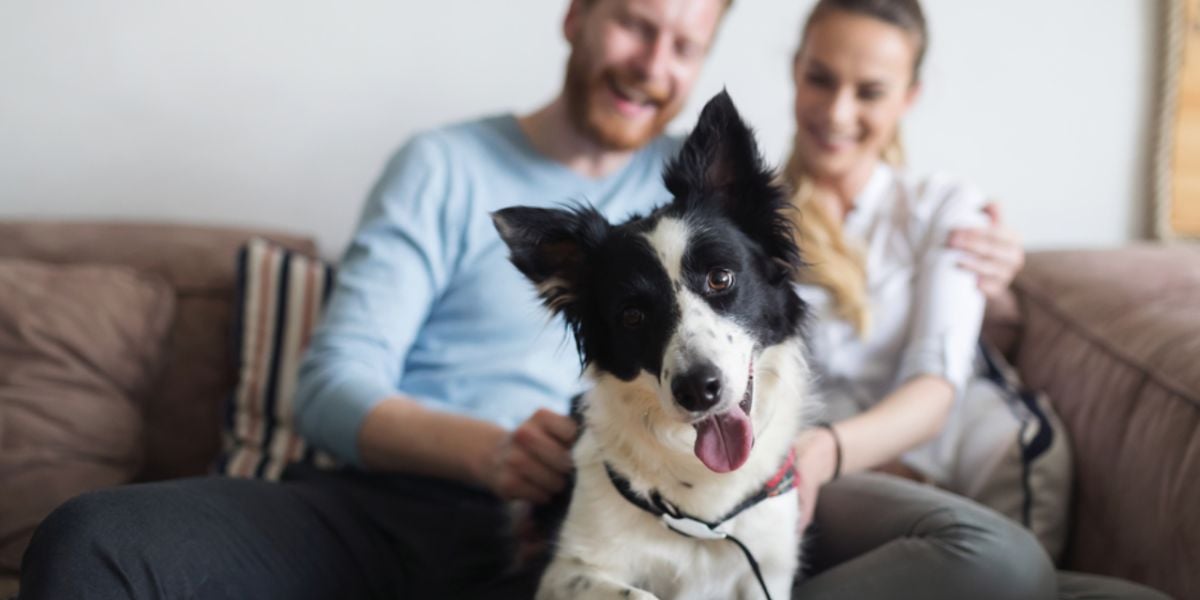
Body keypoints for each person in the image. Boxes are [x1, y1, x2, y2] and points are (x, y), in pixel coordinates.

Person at [19, 1, 1034, 598]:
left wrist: (988, 275)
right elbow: (329, 382)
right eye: (636, 20)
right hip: (397, 511)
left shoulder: (694, 217)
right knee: (91, 539)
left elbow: (804, 265)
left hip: (603, 527)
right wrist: (488, 453)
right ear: (577, 13)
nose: (654, 60)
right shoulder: (449, 166)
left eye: (685, 43)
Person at [779, 2, 1168, 599]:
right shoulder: (744, 221)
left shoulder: (943, 207)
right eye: (821, 79)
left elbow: (935, 389)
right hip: (809, 486)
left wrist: (832, 449)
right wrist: (821, 456)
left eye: (871, 92)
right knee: (998, 565)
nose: (838, 113)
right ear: (795, 69)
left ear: (909, 97)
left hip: (866, 469)